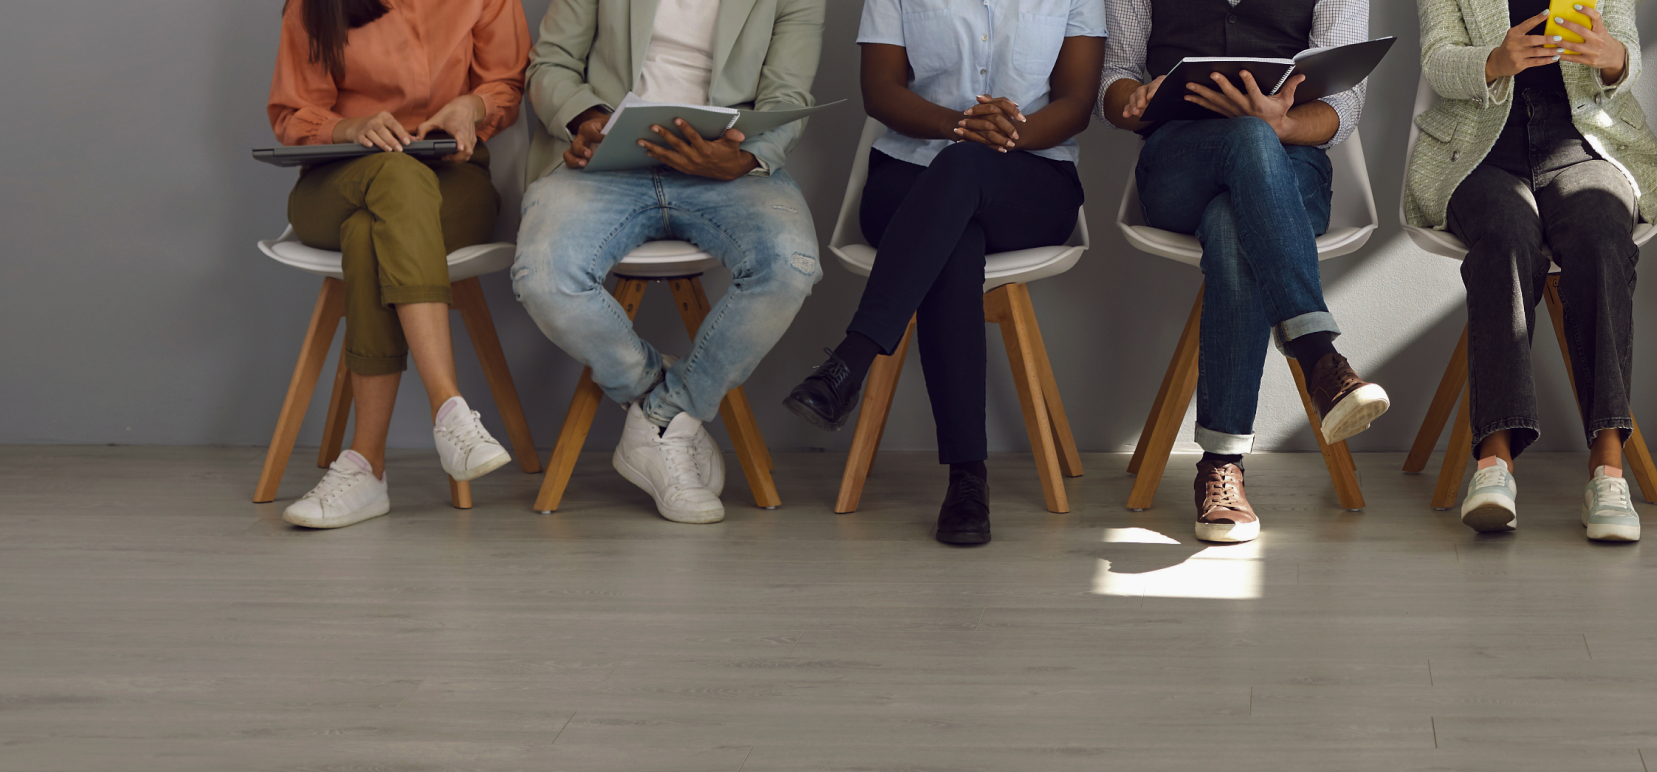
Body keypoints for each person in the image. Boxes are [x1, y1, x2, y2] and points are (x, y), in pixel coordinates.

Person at [778, 0, 1106, 546]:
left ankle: (850, 361)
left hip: (1029, 181)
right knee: (954, 237)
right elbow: (880, 90)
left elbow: (1075, 104)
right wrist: (957, 125)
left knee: (962, 173)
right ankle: (966, 482)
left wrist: (1000, 139)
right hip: (907, 177)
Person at [512, 0, 824, 524]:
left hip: (725, 165)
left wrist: (745, 157)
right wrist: (586, 118)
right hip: (606, 162)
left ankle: (657, 422)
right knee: (543, 276)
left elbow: (788, 94)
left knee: (789, 265)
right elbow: (551, 64)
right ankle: (671, 411)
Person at [1100, 0, 1387, 544]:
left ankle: (1220, 466)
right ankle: (1318, 355)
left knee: (1235, 221)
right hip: (1179, 163)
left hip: (1289, 163)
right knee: (1248, 139)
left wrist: (1285, 122)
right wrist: (1134, 99)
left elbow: (1345, 102)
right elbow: (1115, 77)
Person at [1409, 0, 1657, 543]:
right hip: (1482, 154)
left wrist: (1611, 58)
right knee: (1505, 237)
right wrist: (1496, 60)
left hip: (1585, 148)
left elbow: (1627, 59)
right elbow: (1439, 62)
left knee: (1601, 236)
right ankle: (1494, 464)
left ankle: (1608, 466)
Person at [267, 0, 526, 529]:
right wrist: (349, 127)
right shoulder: (312, 4)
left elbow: (507, 84)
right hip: (336, 181)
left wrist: (470, 107)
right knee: (393, 178)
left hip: (452, 178)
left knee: (372, 231)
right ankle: (449, 410)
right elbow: (292, 113)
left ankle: (364, 466)